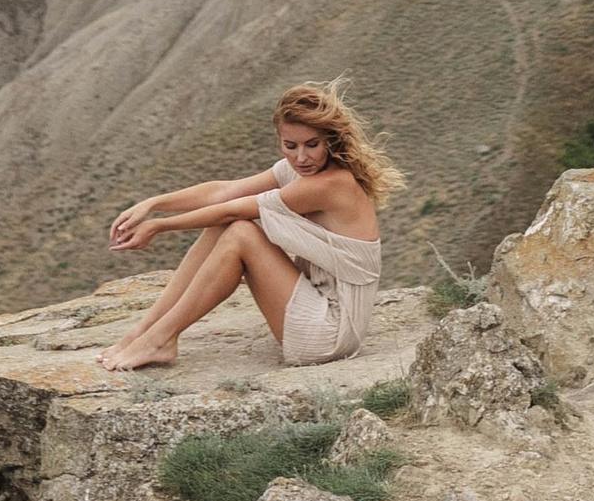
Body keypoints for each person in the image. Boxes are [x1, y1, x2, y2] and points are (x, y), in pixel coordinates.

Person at [96, 81, 401, 372]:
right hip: (316, 306)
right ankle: (144, 331)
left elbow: (231, 209)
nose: (301, 157)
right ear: (279, 141)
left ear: (330, 140)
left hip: (330, 334)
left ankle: (161, 339)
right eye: (290, 145)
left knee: (239, 230)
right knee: (223, 228)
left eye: (312, 144)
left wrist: (159, 226)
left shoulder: (332, 184)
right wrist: (152, 203)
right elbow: (224, 191)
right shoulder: (298, 172)